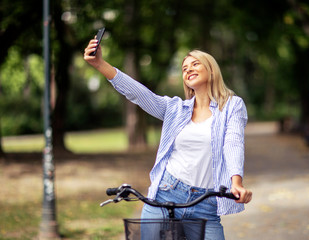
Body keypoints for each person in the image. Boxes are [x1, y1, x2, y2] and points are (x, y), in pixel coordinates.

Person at [84, 37, 252, 239]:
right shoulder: (175, 109)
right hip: (166, 194)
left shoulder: (232, 106)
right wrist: (100, 64)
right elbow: (139, 94)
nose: (188, 69)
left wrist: (236, 182)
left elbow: (233, 143)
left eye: (195, 64)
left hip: (205, 202)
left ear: (212, 70)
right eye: (184, 68)